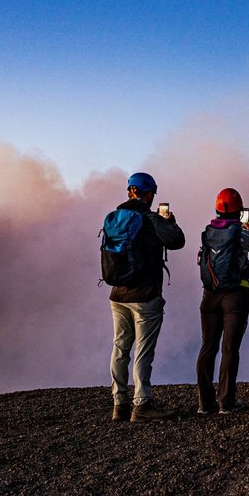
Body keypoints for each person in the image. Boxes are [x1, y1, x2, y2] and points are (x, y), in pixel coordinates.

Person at [107, 172, 186, 422]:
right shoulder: (151, 218)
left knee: (120, 346)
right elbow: (177, 241)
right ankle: (142, 405)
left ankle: (119, 404)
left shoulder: (115, 217)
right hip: (145, 296)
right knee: (143, 350)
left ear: (130, 191)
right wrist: (170, 222)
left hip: (117, 294)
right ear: (149, 193)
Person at [196, 188, 249, 414]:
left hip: (209, 296)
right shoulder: (240, 232)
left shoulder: (207, 232)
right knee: (229, 349)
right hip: (235, 296)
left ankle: (205, 404)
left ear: (217, 208)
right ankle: (226, 402)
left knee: (208, 347)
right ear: (239, 210)